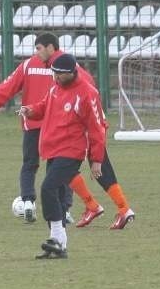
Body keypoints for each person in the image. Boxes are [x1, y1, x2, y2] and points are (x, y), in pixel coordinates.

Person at [0, 32, 134, 229]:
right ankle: (93, 207)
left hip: (80, 130)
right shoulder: (47, 70)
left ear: (50, 48)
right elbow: (25, 95)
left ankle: (121, 209)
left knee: (96, 167)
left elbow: (90, 98)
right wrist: (28, 110)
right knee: (67, 170)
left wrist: (97, 128)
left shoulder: (68, 68)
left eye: (39, 48)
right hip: (61, 132)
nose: (36, 52)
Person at [19, 53, 107, 258]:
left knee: (47, 188)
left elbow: (97, 128)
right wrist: (30, 110)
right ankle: (60, 244)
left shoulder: (87, 93)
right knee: (57, 193)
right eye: (54, 73)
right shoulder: (55, 88)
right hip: (53, 149)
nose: (55, 77)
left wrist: (97, 160)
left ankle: (57, 236)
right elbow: (43, 107)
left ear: (71, 73)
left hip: (71, 151)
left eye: (59, 74)